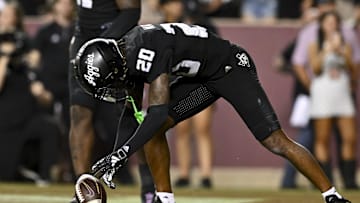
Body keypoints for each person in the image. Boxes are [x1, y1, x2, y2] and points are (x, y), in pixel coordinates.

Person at [74, 22, 352, 203]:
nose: (111, 90)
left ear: (115, 69)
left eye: (108, 83)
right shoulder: (126, 57)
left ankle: (333, 196)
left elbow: (156, 114)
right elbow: (129, 117)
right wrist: (106, 164)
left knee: (275, 141)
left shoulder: (146, 50)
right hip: (203, 78)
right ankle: (164, 198)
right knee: (152, 131)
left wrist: (120, 156)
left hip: (230, 68)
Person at [68, 0, 155, 202]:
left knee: (130, 114)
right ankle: (83, 188)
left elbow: (132, 12)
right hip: (83, 38)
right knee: (79, 111)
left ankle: (149, 184)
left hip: (115, 42)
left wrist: (102, 42)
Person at [0, 1, 60, 185]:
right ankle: (20, 170)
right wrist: (6, 56)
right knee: (6, 175)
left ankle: (44, 176)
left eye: (12, 16)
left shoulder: (25, 44)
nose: (9, 20)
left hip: (26, 115)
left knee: (50, 128)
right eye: (5, 15)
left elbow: (36, 77)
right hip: (4, 120)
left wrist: (42, 94)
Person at [308, 11, 358, 189]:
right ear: (321, 25)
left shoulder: (346, 45)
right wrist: (326, 51)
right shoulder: (315, 44)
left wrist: (343, 53)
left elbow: (354, 71)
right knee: (322, 138)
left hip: (342, 94)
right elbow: (314, 69)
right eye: (328, 22)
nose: (331, 25)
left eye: (334, 22)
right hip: (323, 94)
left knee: (350, 138)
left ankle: (350, 181)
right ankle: (325, 182)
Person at [32, 0, 75, 182]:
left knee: (74, 128)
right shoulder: (45, 31)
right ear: (55, 6)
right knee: (48, 128)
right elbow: (34, 60)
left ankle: (75, 173)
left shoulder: (78, 30)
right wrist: (37, 83)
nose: (65, 6)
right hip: (48, 87)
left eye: (69, 3)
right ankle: (45, 171)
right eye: (62, 2)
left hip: (72, 86)